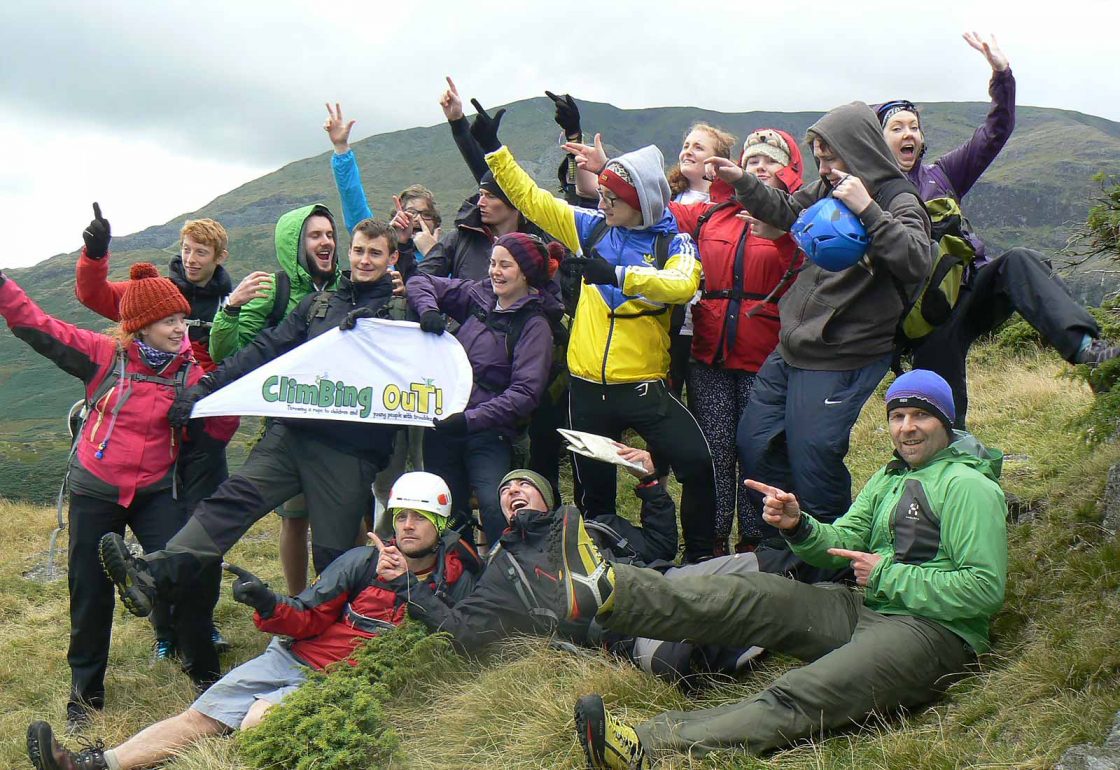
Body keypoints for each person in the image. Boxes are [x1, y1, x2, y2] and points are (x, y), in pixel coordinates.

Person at [560, 369, 1008, 765]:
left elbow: (985, 589)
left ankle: (648, 744)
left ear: (945, 422)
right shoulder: (890, 478)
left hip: (934, 634)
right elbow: (843, 540)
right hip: (869, 607)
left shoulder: (968, 487)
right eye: (897, 416)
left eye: (920, 416)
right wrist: (799, 526)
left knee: (802, 691)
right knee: (753, 594)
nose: (907, 427)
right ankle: (612, 593)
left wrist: (889, 576)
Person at [26, 472, 478, 770]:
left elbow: (460, 635)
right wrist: (266, 604)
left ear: (442, 525)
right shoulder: (362, 561)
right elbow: (306, 616)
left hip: (347, 680)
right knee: (199, 716)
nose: (408, 526)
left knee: (256, 721)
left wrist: (406, 588)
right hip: (294, 657)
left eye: (421, 517)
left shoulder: (458, 576)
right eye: (402, 516)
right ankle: (91, 765)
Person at [98, 219, 404, 620]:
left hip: (349, 453)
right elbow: (263, 349)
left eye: (376, 253)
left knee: (334, 556)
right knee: (228, 502)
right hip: (290, 435)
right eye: (359, 250)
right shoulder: (318, 305)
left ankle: (333, 638)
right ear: (350, 252)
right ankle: (152, 574)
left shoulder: (403, 313)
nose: (365, 260)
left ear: (392, 258)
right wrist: (205, 388)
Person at [0, 239, 237, 731]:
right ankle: (85, 701)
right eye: (172, 320)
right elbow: (38, 327)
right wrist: (3, 287)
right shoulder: (105, 356)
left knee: (187, 574)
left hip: (157, 491)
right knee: (89, 592)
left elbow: (219, 430)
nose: (181, 328)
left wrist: (213, 407)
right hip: (96, 488)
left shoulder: (194, 373)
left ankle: (203, 675)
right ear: (142, 325)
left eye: (183, 319)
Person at [474, 99, 717, 563]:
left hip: (642, 386)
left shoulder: (673, 240)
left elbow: (683, 283)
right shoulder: (591, 227)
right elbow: (532, 200)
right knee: (595, 495)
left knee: (697, 464)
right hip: (586, 389)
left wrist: (617, 275)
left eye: (611, 198)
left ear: (640, 202)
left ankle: (701, 558)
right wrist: (492, 149)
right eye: (601, 196)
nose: (601, 202)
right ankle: (604, 566)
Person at [567, 127, 806, 555]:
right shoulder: (711, 214)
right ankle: (711, 542)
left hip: (765, 353)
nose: (759, 167)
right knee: (711, 451)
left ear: (790, 169)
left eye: (770, 160)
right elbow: (647, 206)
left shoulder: (797, 218)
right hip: (710, 350)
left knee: (758, 449)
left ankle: (756, 541)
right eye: (752, 160)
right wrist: (608, 171)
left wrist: (779, 224)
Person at [704, 101, 932, 540]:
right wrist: (743, 181)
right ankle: (783, 544)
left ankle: (831, 566)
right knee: (756, 443)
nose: (823, 167)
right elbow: (787, 211)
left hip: (843, 353)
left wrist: (868, 209)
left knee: (814, 458)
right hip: (792, 346)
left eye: (830, 156)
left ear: (858, 147)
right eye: (819, 157)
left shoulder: (897, 198)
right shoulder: (828, 188)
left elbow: (917, 260)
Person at [877, 32, 1118, 425]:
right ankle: (951, 466)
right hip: (924, 321)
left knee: (1020, 260)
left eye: (914, 127)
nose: (909, 134)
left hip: (971, 291)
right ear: (877, 140)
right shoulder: (863, 194)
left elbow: (996, 132)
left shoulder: (942, 175)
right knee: (942, 412)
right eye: (897, 128)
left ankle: (1088, 351)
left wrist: (1002, 74)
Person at [73, 207, 234, 658]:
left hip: (203, 433)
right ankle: (165, 633)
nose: (191, 259)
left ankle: (200, 627)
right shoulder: (151, 295)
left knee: (201, 536)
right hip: (154, 439)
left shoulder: (232, 303)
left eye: (201, 252)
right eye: (186, 250)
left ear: (219, 257)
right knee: (162, 535)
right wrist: (95, 253)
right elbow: (94, 294)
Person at [209, 203, 342, 596]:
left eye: (330, 235)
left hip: (341, 425)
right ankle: (298, 599)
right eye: (315, 235)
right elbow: (227, 353)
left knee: (346, 518)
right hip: (290, 424)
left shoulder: (344, 287)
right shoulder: (275, 289)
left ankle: (339, 599)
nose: (326, 242)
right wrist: (230, 309)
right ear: (295, 243)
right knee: (296, 518)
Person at [407, 233, 559, 547]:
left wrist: (470, 419)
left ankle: (503, 571)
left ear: (526, 273)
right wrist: (428, 312)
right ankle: (451, 575)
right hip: (444, 422)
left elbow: (525, 393)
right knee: (443, 507)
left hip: (490, 431)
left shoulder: (534, 326)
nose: (494, 271)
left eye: (505, 265)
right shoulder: (479, 295)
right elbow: (420, 282)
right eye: (492, 263)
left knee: (493, 505)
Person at [324, 101, 437, 274]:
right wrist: (341, 148)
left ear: (437, 224)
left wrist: (434, 254)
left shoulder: (452, 257)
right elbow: (353, 201)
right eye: (411, 213)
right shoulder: (377, 249)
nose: (417, 220)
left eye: (426, 215)